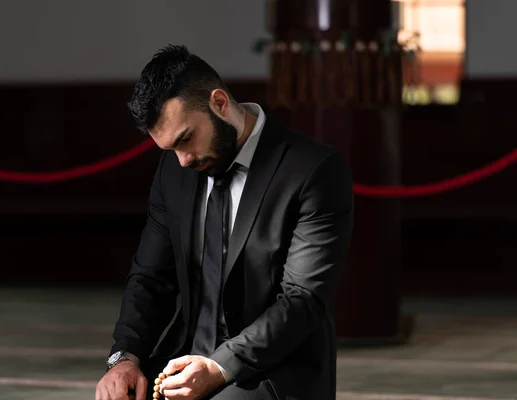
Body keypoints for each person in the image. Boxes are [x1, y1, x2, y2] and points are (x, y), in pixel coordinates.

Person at [95, 44, 353, 400]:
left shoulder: (313, 171)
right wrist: (125, 357)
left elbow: (302, 301)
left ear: (219, 103)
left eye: (186, 139)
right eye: (170, 149)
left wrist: (219, 366)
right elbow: (151, 277)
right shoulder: (174, 169)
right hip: (182, 357)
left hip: (271, 370)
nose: (183, 161)